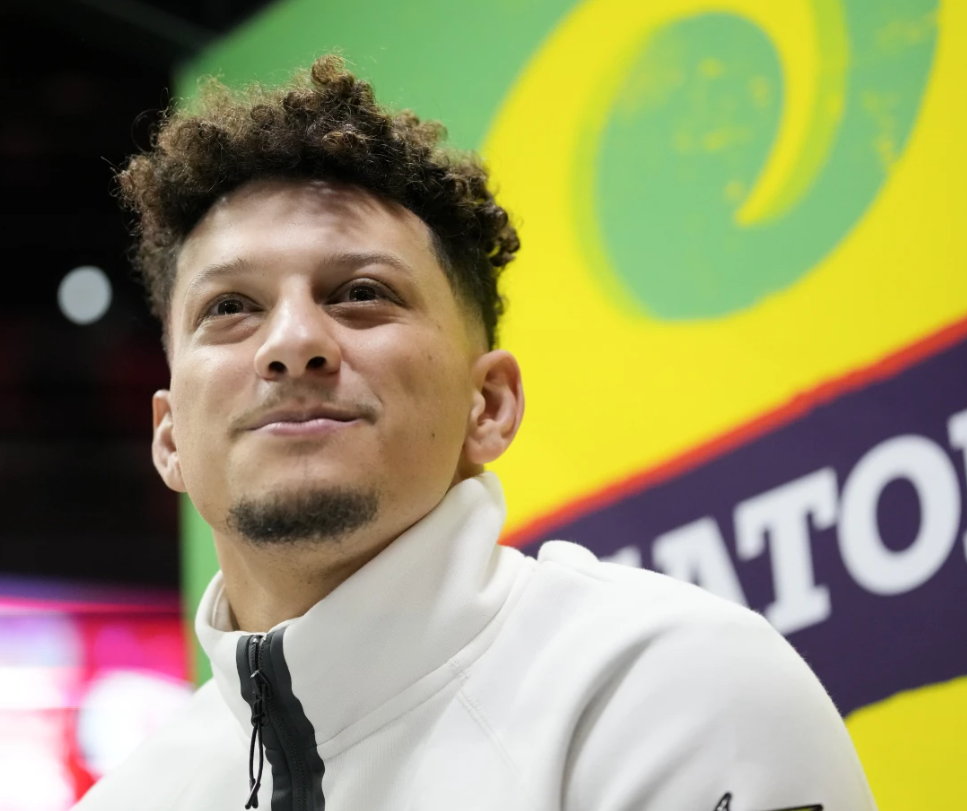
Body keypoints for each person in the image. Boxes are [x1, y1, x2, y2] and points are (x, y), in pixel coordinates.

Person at [74, 55, 876, 811]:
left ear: (487, 404)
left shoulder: (674, 687)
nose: (291, 342)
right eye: (229, 308)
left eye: (360, 292)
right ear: (169, 436)